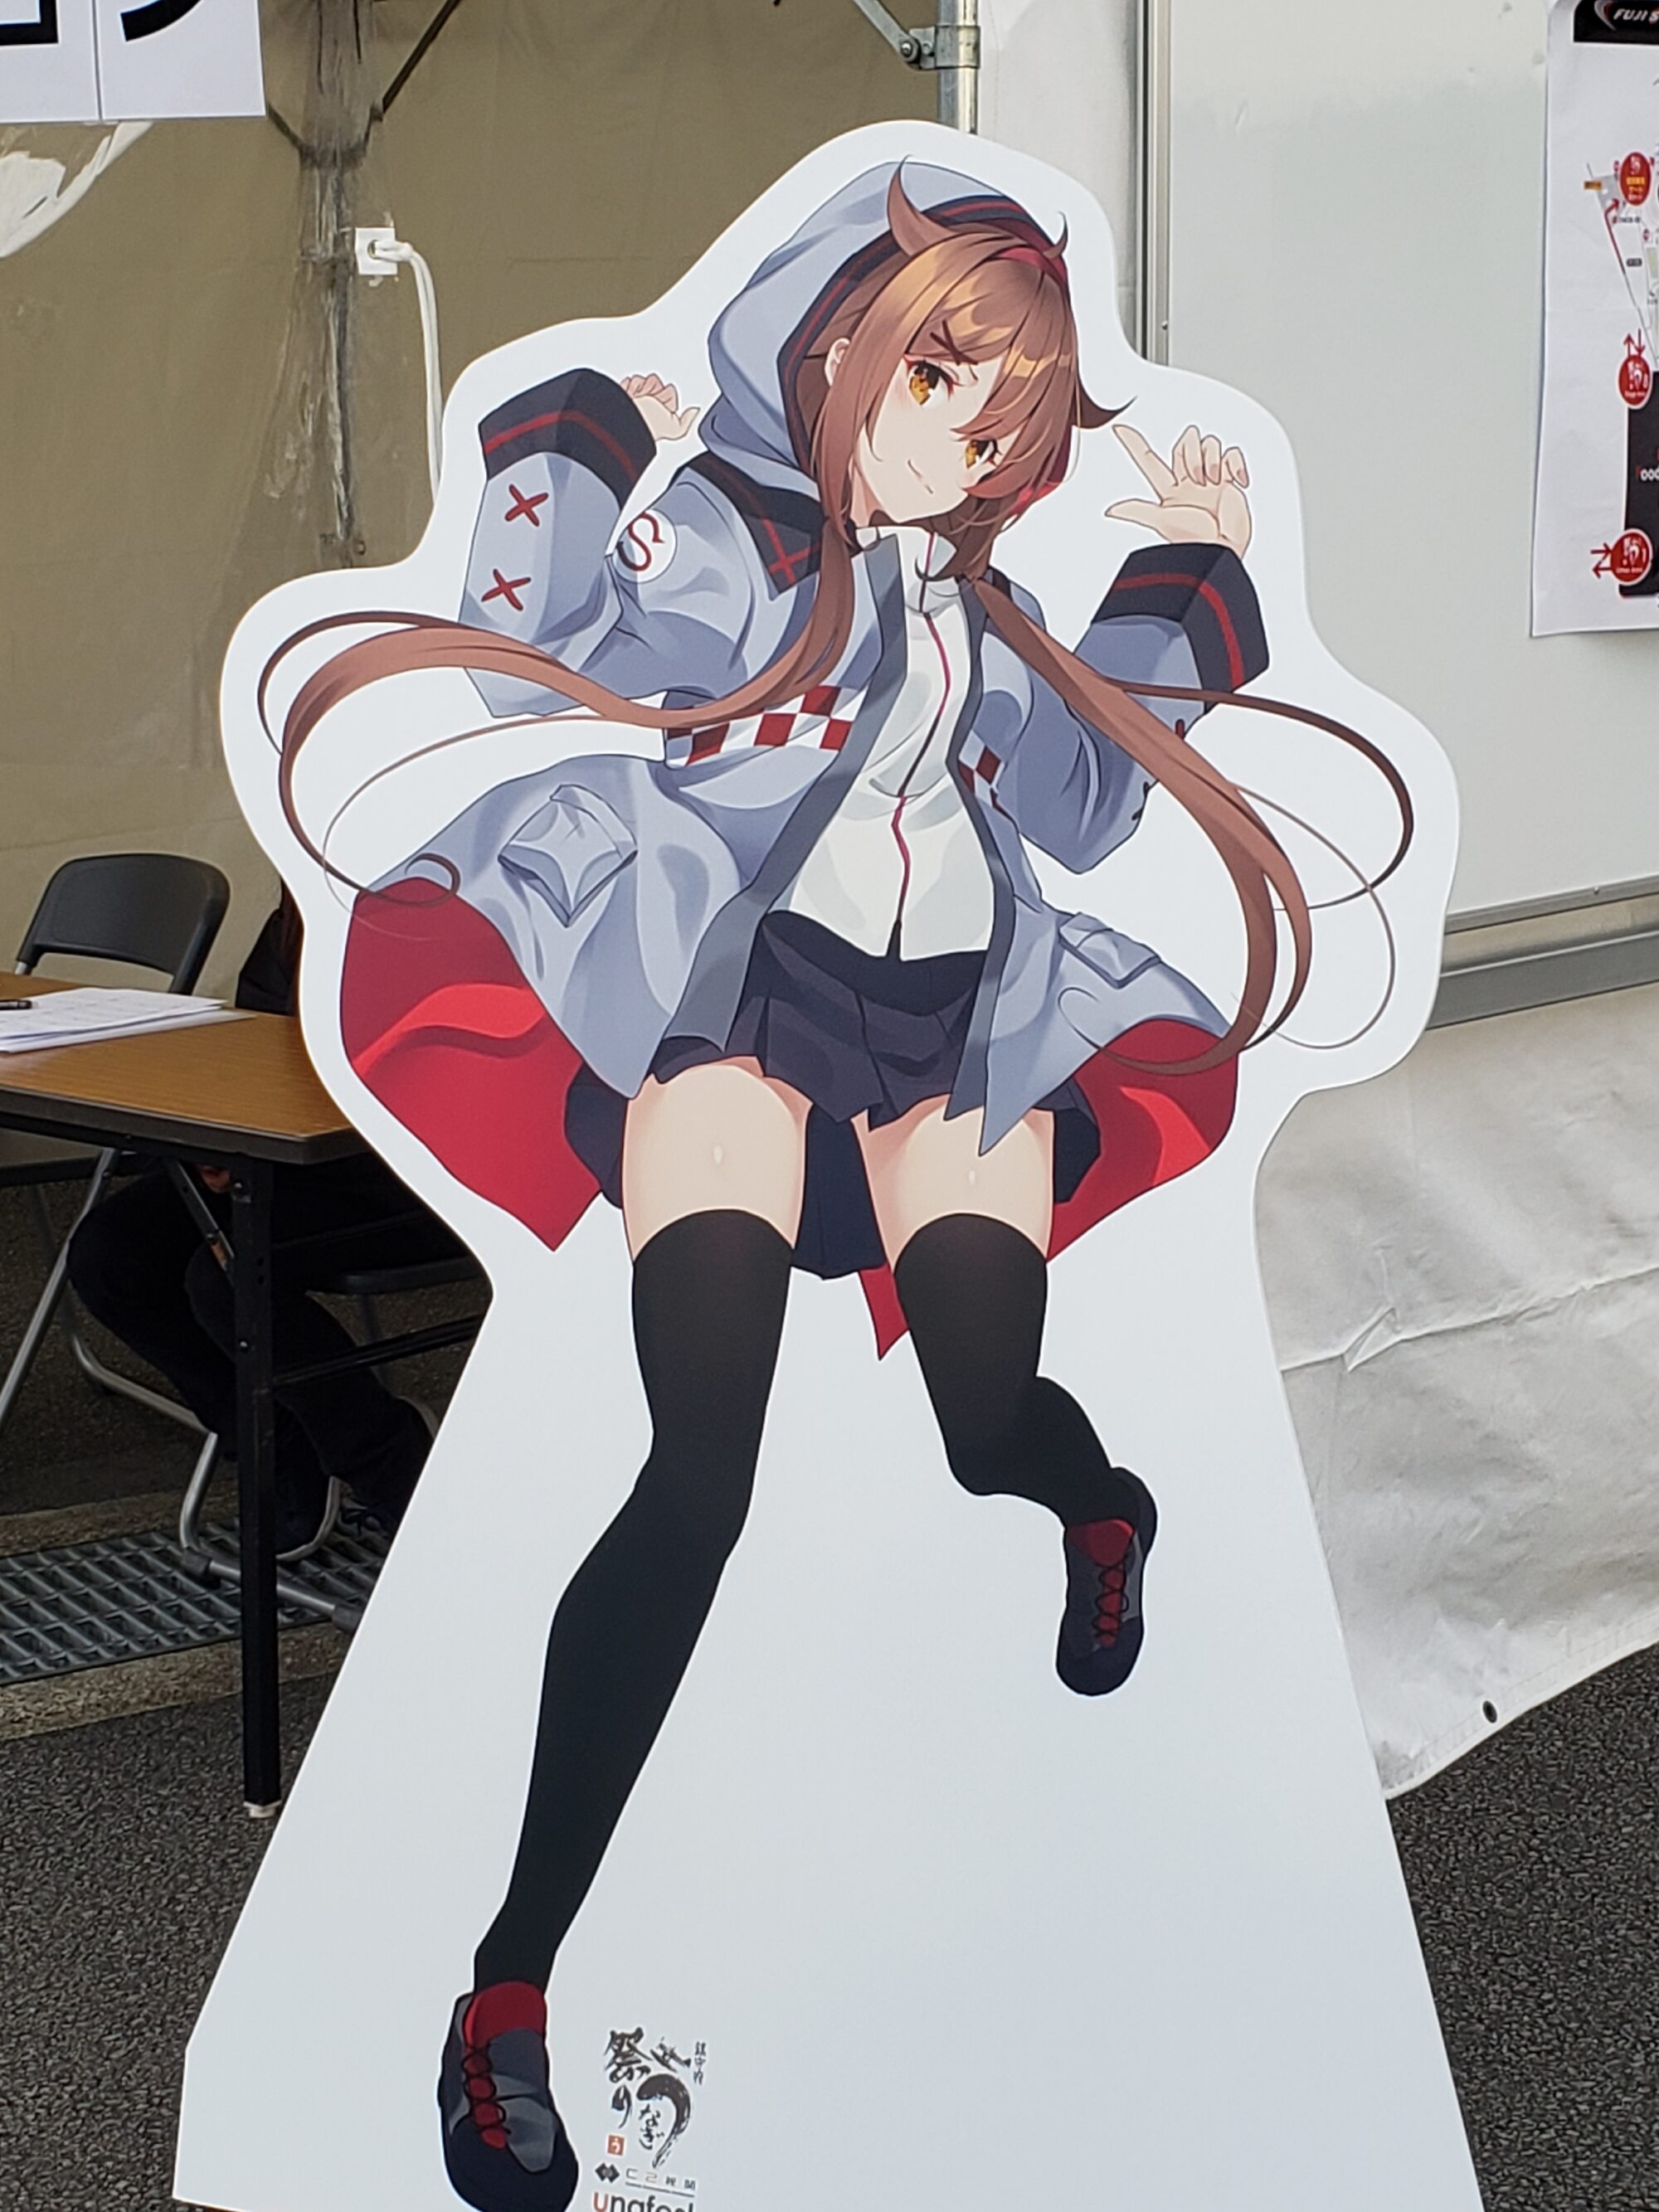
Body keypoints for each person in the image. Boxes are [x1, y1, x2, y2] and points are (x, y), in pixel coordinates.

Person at [261, 162, 1410, 2211]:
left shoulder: (994, 612)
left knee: (983, 1415)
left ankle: (1096, 1507)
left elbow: (1081, 802)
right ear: (834, 346)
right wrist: (580, 441)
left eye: (1005, 406)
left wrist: (1190, 575)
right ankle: (506, 1987)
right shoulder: (725, 533)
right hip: (733, 1012)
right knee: (695, 1471)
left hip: (962, 1032)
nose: (962, 432)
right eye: (936, 375)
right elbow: (532, 656)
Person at [66, 891, 467, 1556]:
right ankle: (275, 1439)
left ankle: (388, 1460)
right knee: (109, 1255)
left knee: (228, 1275)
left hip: (414, 1175)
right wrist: (221, 1133)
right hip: (291, 1159)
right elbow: (257, 1044)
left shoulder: (443, 900)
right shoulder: (298, 910)